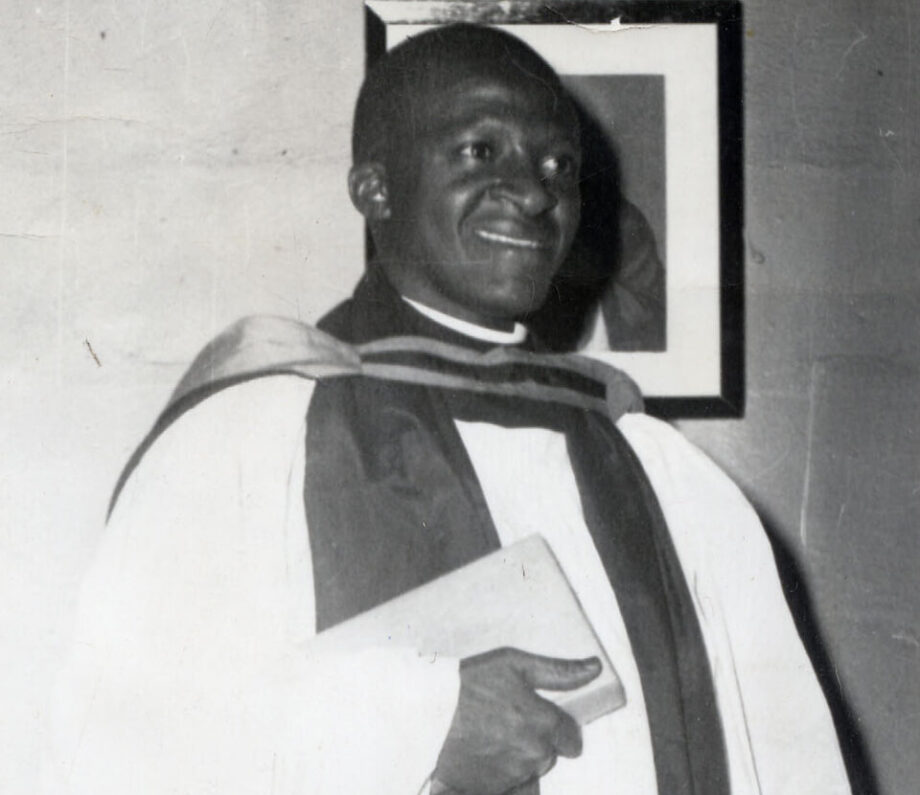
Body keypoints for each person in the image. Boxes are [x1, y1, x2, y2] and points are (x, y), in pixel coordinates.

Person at [48, 24, 851, 795]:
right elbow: (123, 736)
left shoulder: (666, 474)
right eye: (480, 150)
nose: (535, 193)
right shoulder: (246, 444)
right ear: (376, 187)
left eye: (559, 165)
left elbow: (786, 762)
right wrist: (418, 724)